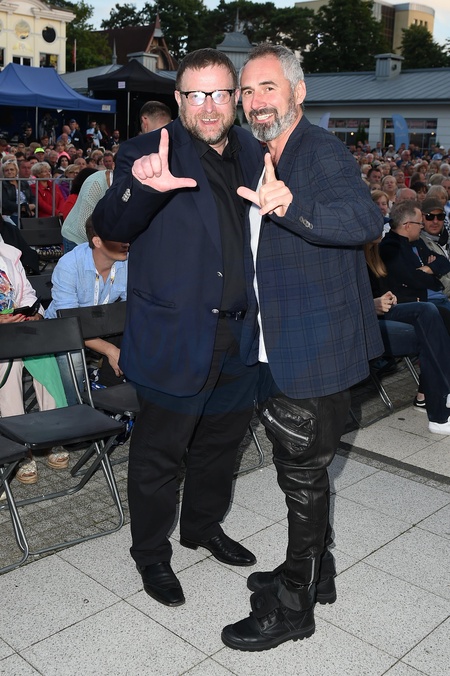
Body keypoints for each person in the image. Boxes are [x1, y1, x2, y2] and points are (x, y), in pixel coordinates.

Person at [220, 43, 383, 652]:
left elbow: (364, 221)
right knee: (302, 472)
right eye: (248, 91)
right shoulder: (265, 155)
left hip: (313, 349)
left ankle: (294, 607)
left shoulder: (320, 152)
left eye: (268, 87)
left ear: (298, 92)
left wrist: (292, 205)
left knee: (302, 479)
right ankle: (317, 573)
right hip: (281, 343)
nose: (256, 101)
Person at [92, 48, 263, 608]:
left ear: (235, 98)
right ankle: (151, 553)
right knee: (159, 457)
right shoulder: (146, 151)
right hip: (175, 335)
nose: (208, 106)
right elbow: (111, 226)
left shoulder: (255, 151)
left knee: (221, 446)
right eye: (196, 94)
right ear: (179, 99)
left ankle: (203, 527)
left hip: (241, 334)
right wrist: (145, 188)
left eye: (219, 94)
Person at [0, 242, 68, 485]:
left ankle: (52, 434)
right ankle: (19, 444)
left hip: (17, 328)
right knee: (9, 364)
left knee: (43, 355)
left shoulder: (8, 254)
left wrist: (33, 313)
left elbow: (27, 292)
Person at [366, 239, 450, 433]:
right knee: (430, 324)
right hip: (362, 320)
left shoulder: (376, 254)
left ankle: (437, 403)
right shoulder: (356, 254)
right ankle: (439, 410)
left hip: (384, 311)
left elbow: (441, 264)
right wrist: (371, 304)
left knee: (432, 313)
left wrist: (389, 297)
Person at [45, 218, 129, 403]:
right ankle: (75, 409)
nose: (126, 243)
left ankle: (112, 398)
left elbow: (135, 308)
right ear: (97, 241)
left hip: (101, 324)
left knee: (141, 338)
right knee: (74, 358)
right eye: (119, 238)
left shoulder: (127, 262)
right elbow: (68, 324)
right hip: (61, 329)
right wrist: (109, 350)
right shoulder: (70, 265)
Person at [379, 200, 450, 311]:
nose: (421, 227)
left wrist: (426, 268)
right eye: (419, 223)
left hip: (439, 298)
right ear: (408, 226)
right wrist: (433, 271)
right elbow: (412, 278)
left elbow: (444, 262)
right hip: (425, 303)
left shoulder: (417, 242)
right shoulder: (390, 248)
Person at [1, 158, 35, 224]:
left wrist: (33, 205)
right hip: (11, 215)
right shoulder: (2, 184)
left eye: (12, 169)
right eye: (6, 170)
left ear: (16, 171)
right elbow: (5, 203)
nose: (9, 172)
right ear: (4, 173)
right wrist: (23, 208)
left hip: (27, 213)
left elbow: (32, 197)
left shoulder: (23, 183)